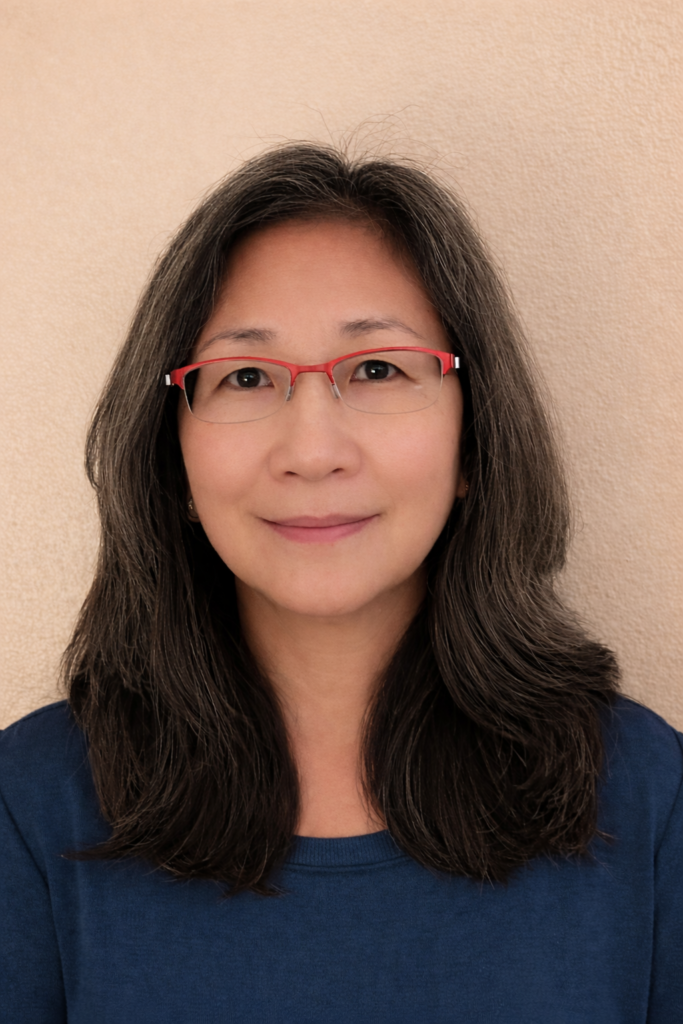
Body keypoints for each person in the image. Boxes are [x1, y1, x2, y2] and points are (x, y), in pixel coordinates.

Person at [1, 142, 681, 1023]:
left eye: (376, 369)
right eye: (246, 377)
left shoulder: (641, 791)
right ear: (173, 459)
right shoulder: (33, 803)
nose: (313, 451)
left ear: (474, 442)